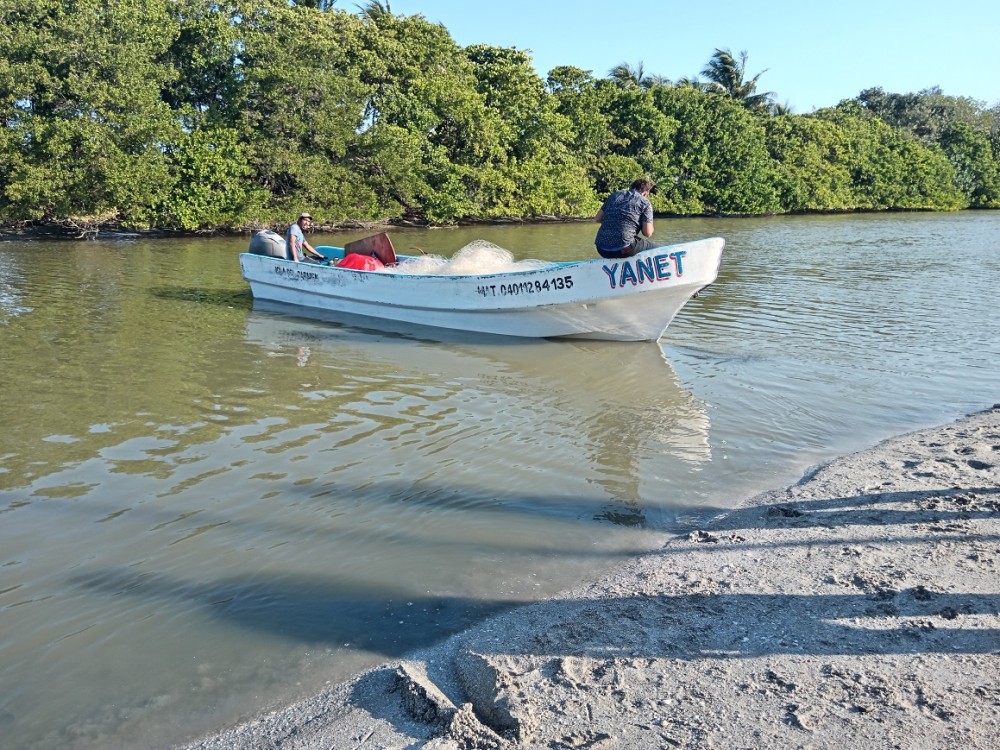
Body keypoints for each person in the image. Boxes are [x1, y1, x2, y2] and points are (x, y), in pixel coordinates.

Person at [594, 178, 661, 258]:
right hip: (624, 249)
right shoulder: (645, 202)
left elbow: (597, 218)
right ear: (645, 191)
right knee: (657, 249)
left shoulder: (614, 195)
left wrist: (613, 222)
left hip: (601, 249)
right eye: (648, 193)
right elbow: (647, 233)